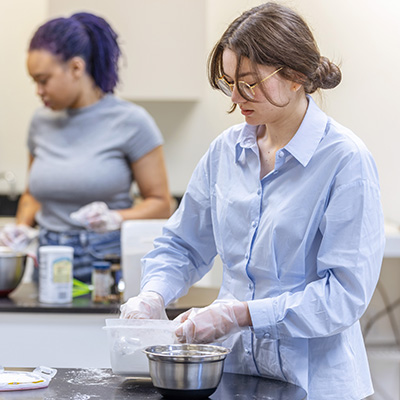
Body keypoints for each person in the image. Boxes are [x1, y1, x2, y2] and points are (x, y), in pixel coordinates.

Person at [119, 3, 385, 399]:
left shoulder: (345, 160)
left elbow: (343, 297)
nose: (238, 97)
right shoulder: (225, 151)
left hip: (317, 385)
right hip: (237, 376)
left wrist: (239, 314)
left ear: (295, 75)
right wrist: (153, 294)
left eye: (250, 82)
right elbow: (183, 244)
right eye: (230, 83)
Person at [0, 12, 171, 283]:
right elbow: (33, 195)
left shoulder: (132, 122)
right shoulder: (39, 122)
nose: (38, 90)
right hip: (49, 261)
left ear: (76, 68)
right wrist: (21, 227)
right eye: (34, 81)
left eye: (43, 80)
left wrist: (115, 218)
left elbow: (162, 204)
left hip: (104, 263)